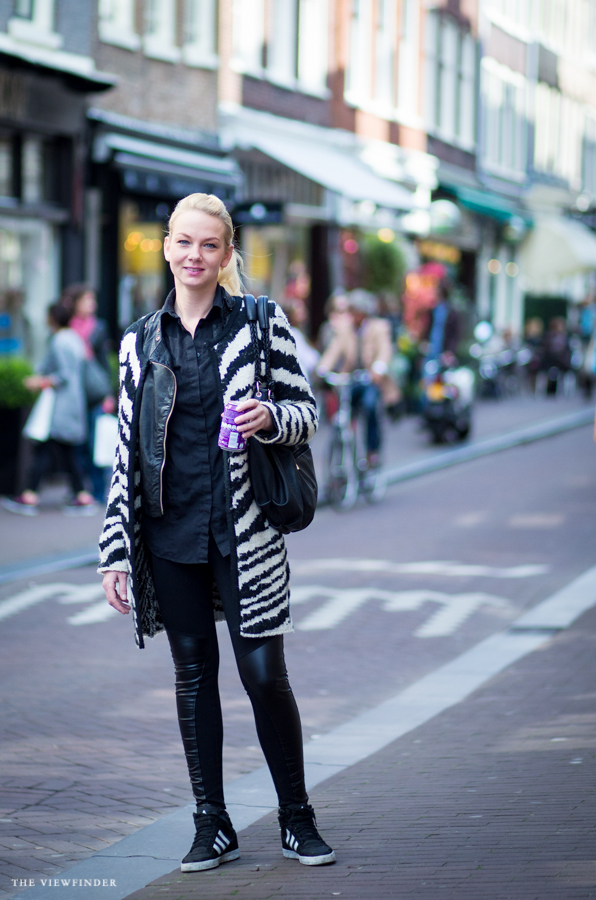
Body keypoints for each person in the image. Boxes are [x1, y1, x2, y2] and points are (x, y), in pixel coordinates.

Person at [98, 193, 334, 873]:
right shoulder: (140, 341)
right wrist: (116, 552)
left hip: (247, 531)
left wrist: (271, 417)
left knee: (264, 674)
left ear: (227, 255)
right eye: (183, 242)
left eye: (209, 245)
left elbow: (306, 412)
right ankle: (213, 823)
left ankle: (297, 816)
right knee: (193, 675)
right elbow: (125, 455)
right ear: (165, 246)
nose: (195, 256)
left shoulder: (261, 323)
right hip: (171, 532)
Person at [1, 303, 95, 515]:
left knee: (46, 449)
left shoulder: (60, 341)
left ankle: (31, 496)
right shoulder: (74, 339)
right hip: (72, 404)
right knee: (64, 451)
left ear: (52, 318)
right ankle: (80, 495)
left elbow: (64, 375)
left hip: (60, 406)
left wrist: (40, 381)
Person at [317, 288, 400, 466]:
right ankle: (346, 446)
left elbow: (385, 350)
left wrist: (379, 367)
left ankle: (372, 451)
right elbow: (334, 350)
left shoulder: (379, 327)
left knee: (370, 406)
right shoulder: (345, 329)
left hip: (370, 379)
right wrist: (323, 369)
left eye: (356, 310)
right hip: (351, 378)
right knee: (342, 412)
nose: (353, 314)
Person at [62, 283, 114, 503]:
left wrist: (109, 394)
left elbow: (104, 362)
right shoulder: (66, 328)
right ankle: (79, 490)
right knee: (76, 445)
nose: (91, 304)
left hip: (94, 394)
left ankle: (98, 491)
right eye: (86, 300)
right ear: (74, 303)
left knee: (95, 443)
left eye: (92, 300)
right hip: (72, 394)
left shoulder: (98, 327)